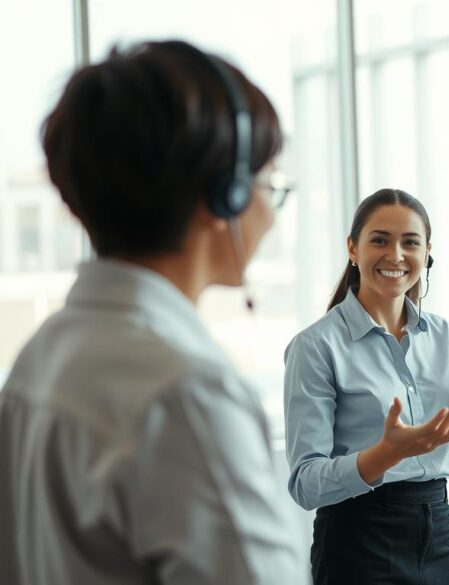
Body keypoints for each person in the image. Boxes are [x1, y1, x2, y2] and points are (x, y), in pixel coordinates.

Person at [0, 40, 304, 584]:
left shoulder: (38, 359)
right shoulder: (185, 392)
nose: (272, 216)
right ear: (225, 195)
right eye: (269, 186)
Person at [284, 188, 449, 584]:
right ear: (353, 249)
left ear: (427, 253)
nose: (396, 255)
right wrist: (384, 454)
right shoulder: (316, 346)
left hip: (436, 530)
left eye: (410, 242)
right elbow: (305, 484)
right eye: (380, 240)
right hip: (357, 539)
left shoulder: (441, 335)